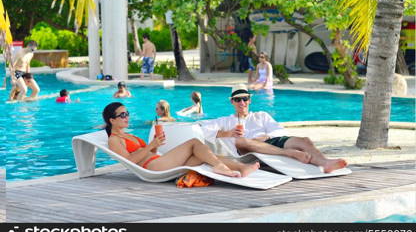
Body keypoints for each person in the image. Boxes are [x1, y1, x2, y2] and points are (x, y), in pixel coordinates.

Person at [199, 84, 348, 173]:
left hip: (269, 144)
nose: (242, 102)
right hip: (246, 152)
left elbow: (279, 131)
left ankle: (325, 163)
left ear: (249, 100)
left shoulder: (261, 116)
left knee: (304, 140)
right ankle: (289, 153)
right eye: (238, 99)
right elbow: (202, 129)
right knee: (242, 141)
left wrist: (266, 137)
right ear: (232, 102)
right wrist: (228, 133)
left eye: (245, 99)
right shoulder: (225, 121)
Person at [102, 102, 260, 177]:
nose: (127, 117)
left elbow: (149, 151)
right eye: (122, 115)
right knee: (194, 142)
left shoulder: (129, 135)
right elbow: (130, 160)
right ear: (112, 120)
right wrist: (151, 145)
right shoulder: (114, 140)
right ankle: (221, 167)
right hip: (153, 167)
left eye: (127, 113)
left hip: (160, 160)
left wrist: (156, 145)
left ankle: (240, 167)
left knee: (201, 156)